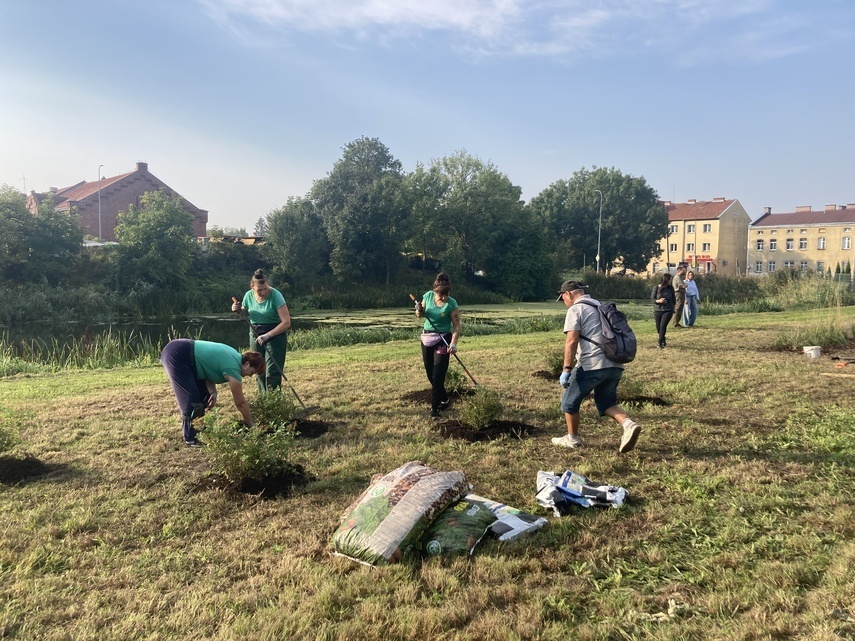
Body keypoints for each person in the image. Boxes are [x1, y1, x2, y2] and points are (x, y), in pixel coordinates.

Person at [552, 280, 641, 453]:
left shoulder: (576, 309)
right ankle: (629, 425)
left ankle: (572, 438)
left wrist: (566, 370)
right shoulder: (601, 306)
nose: (564, 303)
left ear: (568, 294)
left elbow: (571, 340)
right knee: (606, 402)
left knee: (569, 402)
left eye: (563, 298)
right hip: (615, 364)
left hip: (592, 364)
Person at [160, 339, 265, 446]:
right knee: (191, 399)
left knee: (204, 397)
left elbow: (209, 368)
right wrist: (251, 424)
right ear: (247, 364)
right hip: (178, 353)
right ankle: (190, 438)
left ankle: (199, 430)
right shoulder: (233, 368)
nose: (251, 376)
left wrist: (213, 392)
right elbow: (240, 403)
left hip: (189, 357)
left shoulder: (235, 358)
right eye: (253, 372)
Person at [231, 269, 291, 392]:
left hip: (275, 334)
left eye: (265, 289)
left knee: (273, 371)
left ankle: (274, 401)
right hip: (255, 333)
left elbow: (286, 322)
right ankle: (263, 401)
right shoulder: (248, 295)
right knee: (258, 368)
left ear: (268, 284)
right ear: (252, 287)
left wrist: (268, 335)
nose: (263, 292)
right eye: (259, 290)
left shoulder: (276, 295)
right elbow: (244, 314)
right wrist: (237, 309)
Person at [415, 272, 461, 418]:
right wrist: (418, 309)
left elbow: (457, 327)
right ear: (435, 291)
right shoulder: (428, 296)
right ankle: (445, 399)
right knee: (430, 373)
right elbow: (419, 315)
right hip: (427, 337)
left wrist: (453, 344)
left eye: (445, 295)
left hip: (443, 339)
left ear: (449, 293)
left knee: (437, 375)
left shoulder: (452, 303)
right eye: (440, 295)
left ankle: (435, 409)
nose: (442, 298)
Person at [652, 273, 676, 349]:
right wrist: (658, 301)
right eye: (670, 279)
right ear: (666, 280)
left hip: (668, 309)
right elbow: (652, 299)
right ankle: (663, 338)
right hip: (658, 309)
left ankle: (659, 342)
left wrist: (674, 307)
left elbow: (673, 299)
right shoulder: (656, 288)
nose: (671, 281)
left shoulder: (670, 288)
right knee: (658, 327)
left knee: (663, 326)